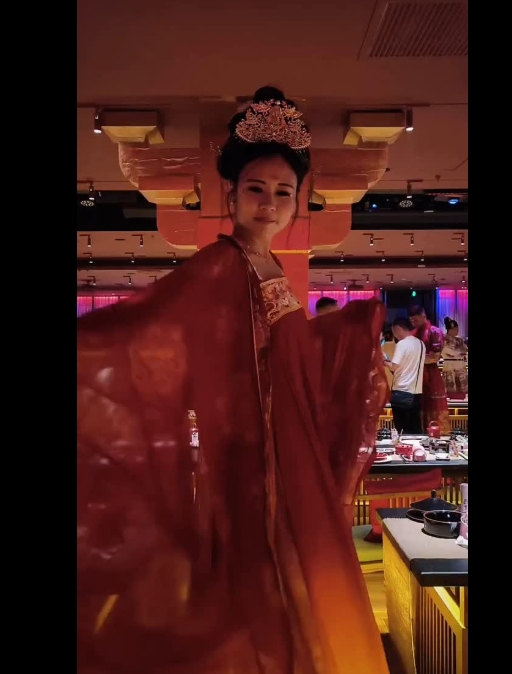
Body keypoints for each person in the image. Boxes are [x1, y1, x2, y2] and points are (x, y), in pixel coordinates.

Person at [77, 86, 390, 674]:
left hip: (289, 457)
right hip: (255, 468)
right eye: (255, 189)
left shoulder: (269, 265)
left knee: (301, 597)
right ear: (231, 193)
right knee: (262, 599)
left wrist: (349, 333)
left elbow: (285, 354)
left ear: (299, 201)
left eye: (283, 192)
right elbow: (149, 332)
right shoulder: (222, 264)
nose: (269, 204)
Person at [408, 305, 450, 434]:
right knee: (417, 408)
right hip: (415, 377)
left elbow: (435, 357)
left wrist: (414, 359)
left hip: (431, 376)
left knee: (434, 406)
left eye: (416, 320)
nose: (413, 323)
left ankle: (438, 437)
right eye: (411, 321)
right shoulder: (412, 334)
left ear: (423, 316)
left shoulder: (434, 331)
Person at [384, 317, 425, 434]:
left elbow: (393, 366)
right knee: (415, 430)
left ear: (397, 328)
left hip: (401, 392)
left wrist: (383, 360)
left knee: (402, 430)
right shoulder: (420, 343)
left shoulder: (402, 344)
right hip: (416, 393)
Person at [442, 316, 468, 400]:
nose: (457, 330)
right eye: (456, 329)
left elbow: (465, 349)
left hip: (460, 365)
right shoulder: (443, 339)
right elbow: (450, 352)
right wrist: (458, 352)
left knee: (461, 390)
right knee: (451, 387)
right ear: (451, 329)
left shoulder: (460, 340)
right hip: (450, 365)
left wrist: (459, 352)